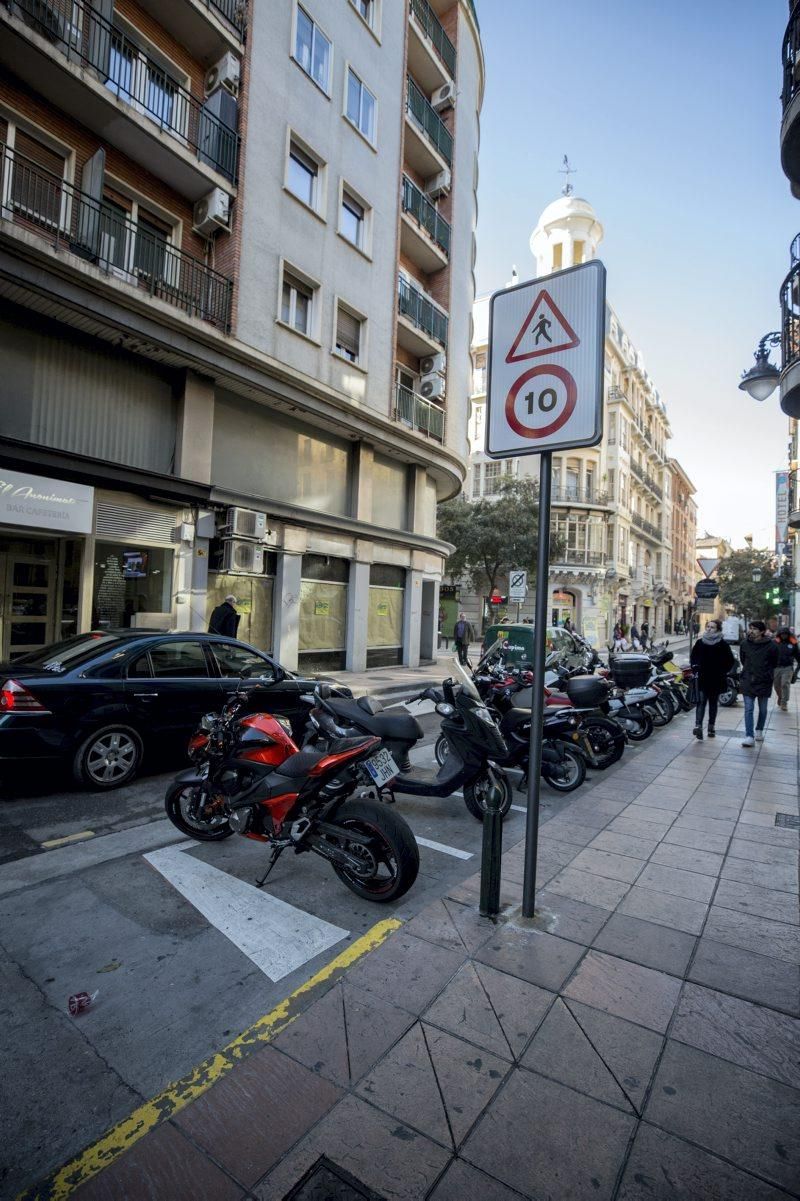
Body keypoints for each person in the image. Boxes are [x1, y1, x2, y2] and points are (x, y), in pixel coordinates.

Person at [690, 620, 734, 740]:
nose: (709, 629)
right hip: (702, 677)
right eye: (708, 626)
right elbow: (693, 657)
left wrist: (722, 670)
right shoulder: (700, 642)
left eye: (712, 627)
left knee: (713, 703)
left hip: (716, 678)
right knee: (701, 702)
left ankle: (711, 727)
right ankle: (698, 726)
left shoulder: (723, 644)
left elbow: (730, 661)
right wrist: (695, 668)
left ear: (718, 630)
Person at [739, 620, 779, 747]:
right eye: (750, 628)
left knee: (762, 709)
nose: (751, 631)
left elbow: (774, 662)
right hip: (748, 680)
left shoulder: (771, 645)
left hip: (764, 681)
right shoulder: (745, 644)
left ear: (762, 631)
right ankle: (749, 736)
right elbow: (743, 659)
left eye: (755, 629)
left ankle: (759, 730)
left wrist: (767, 674)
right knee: (749, 709)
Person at [773, 627, 800, 712]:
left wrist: (796, 672)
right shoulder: (775, 642)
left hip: (788, 667)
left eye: (785, 634)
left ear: (788, 635)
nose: (784, 635)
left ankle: (784, 703)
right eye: (782, 634)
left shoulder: (793, 643)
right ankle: (780, 697)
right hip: (776, 667)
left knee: (785, 684)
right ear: (779, 634)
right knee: (776, 686)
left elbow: (799, 657)